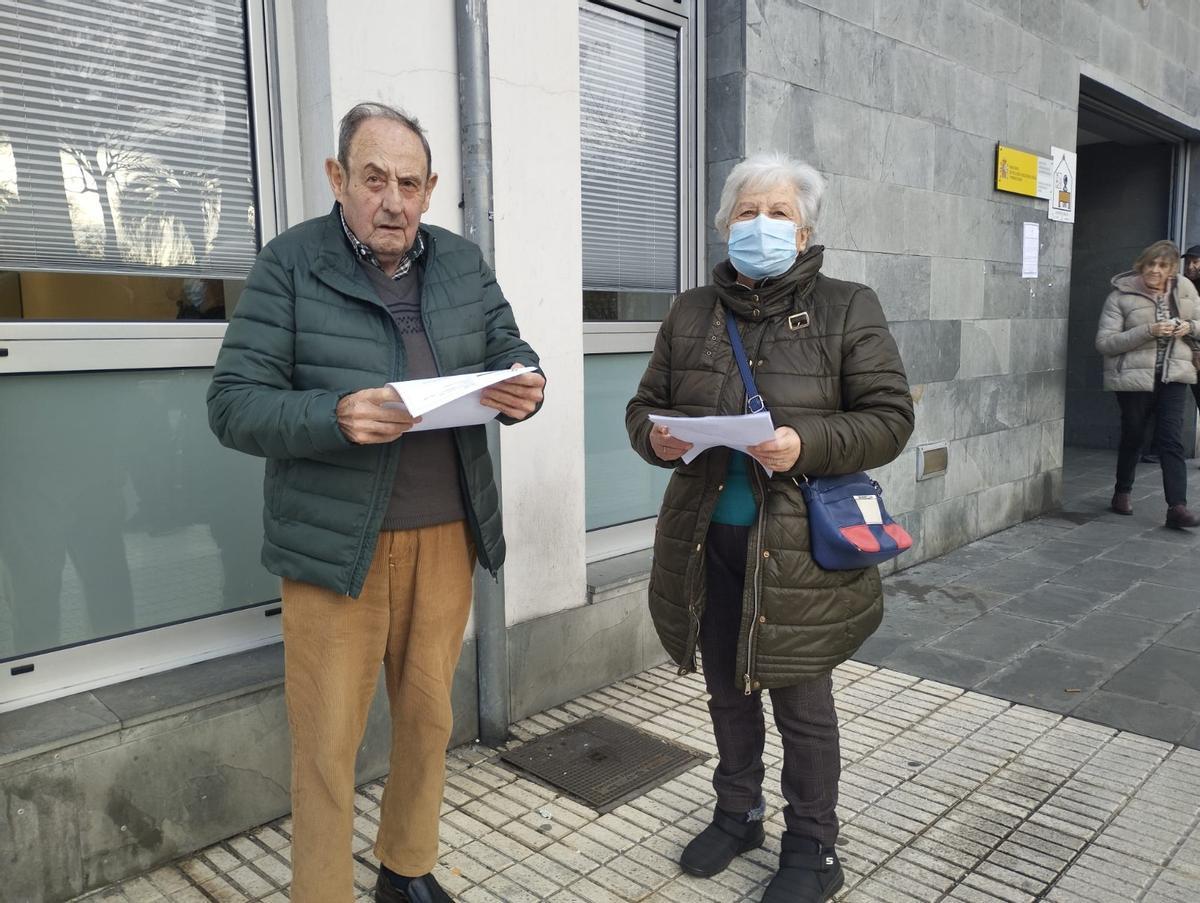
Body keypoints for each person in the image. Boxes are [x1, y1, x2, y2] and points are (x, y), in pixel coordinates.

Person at [207, 102, 545, 903]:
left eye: (410, 183)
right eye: (374, 179)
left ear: (430, 188)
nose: (393, 201)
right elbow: (232, 403)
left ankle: (407, 867)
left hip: (447, 532)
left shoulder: (461, 263)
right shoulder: (291, 264)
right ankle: (323, 891)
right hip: (334, 549)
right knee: (328, 742)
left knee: (428, 720)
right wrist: (334, 415)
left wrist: (528, 380)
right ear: (338, 178)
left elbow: (509, 345)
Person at [626, 153, 913, 903]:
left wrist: (803, 443)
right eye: (747, 212)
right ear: (725, 225)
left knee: (802, 707)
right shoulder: (691, 311)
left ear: (805, 230)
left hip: (795, 551)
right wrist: (656, 437)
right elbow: (644, 406)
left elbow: (890, 419)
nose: (761, 225)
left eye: (778, 213)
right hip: (705, 540)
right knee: (726, 689)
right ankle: (738, 812)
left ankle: (814, 847)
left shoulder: (848, 306)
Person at [1096, 239, 1200, 527]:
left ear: (1172, 269)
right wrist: (1149, 331)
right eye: (1150, 264)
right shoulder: (1120, 297)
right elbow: (1105, 343)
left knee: (1171, 439)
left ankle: (1177, 507)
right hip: (1133, 378)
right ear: (1141, 265)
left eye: (1162, 265)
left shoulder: (1185, 289)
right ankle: (1122, 490)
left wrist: (1189, 326)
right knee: (1134, 435)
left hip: (1173, 376)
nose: (1155, 270)